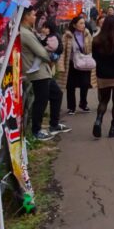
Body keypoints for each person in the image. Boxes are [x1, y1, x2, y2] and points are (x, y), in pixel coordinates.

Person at [20, 9, 69, 140]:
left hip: (43, 70)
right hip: (37, 71)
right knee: (41, 100)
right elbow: (41, 51)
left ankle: (54, 124)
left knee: (56, 94)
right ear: (26, 16)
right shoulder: (25, 33)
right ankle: (36, 130)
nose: (35, 17)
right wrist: (52, 57)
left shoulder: (28, 31)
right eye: (33, 15)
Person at [59, 15, 94, 115]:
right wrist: (61, 64)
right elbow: (63, 51)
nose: (83, 25)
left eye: (84, 23)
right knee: (71, 85)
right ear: (74, 25)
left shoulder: (87, 34)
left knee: (85, 83)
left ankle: (83, 104)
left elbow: (91, 48)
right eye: (81, 23)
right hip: (71, 63)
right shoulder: (67, 35)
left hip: (84, 62)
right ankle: (71, 107)